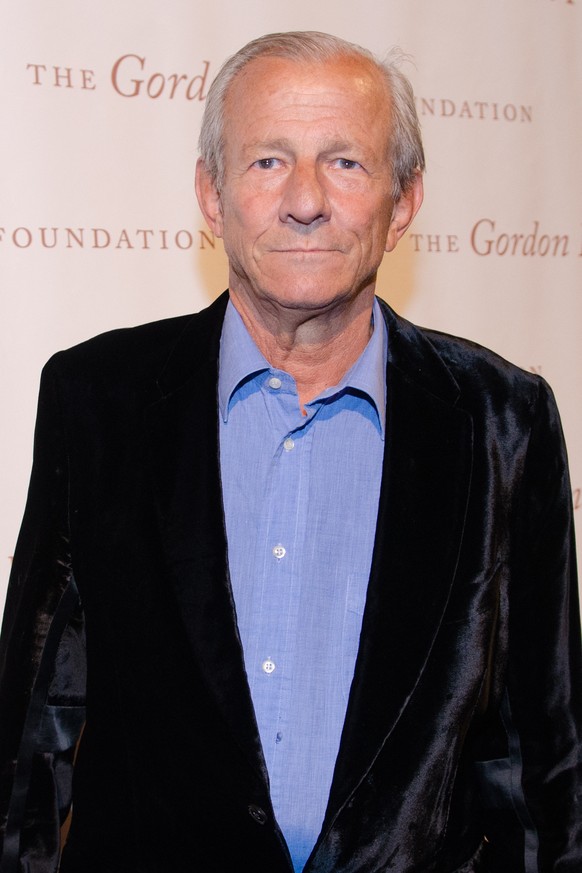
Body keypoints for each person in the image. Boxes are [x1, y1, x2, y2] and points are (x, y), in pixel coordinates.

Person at [0, 30, 580, 873]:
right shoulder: (100, 400)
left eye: (345, 163)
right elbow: (31, 740)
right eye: (268, 161)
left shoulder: (504, 421)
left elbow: (544, 763)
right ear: (211, 190)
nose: (305, 199)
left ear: (405, 197)